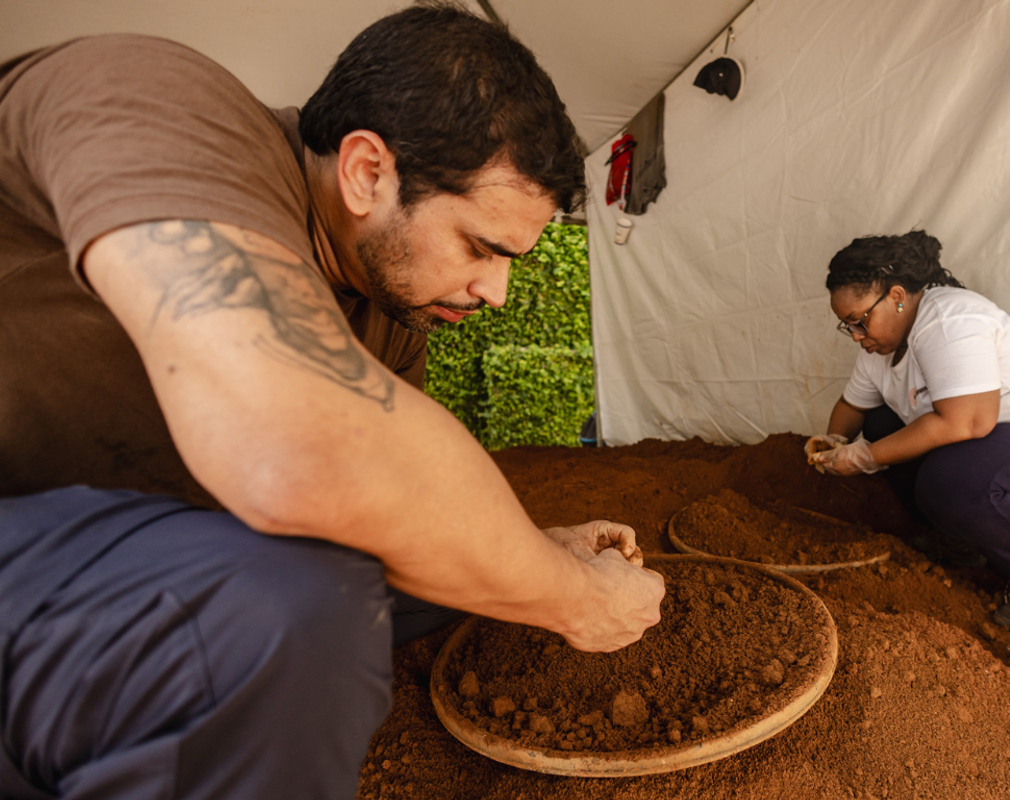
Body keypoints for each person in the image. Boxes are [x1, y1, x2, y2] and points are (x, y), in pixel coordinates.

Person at [0, 5, 665, 799]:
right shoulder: (159, 101)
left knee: (453, 580)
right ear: (365, 172)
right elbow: (300, 454)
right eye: (482, 247)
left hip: (138, 546)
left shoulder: (392, 317)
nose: (497, 291)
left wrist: (539, 553)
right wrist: (579, 598)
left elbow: (395, 513)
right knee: (293, 613)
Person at [805, 231, 1010, 635]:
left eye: (860, 321)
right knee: (881, 423)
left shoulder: (947, 320)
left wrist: (865, 456)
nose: (857, 335)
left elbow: (970, 422)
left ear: (895, 296)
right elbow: (853, 407)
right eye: (847, 326)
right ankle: (959, 539)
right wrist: (834, 443)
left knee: (951, 475)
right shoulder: (880, 348)